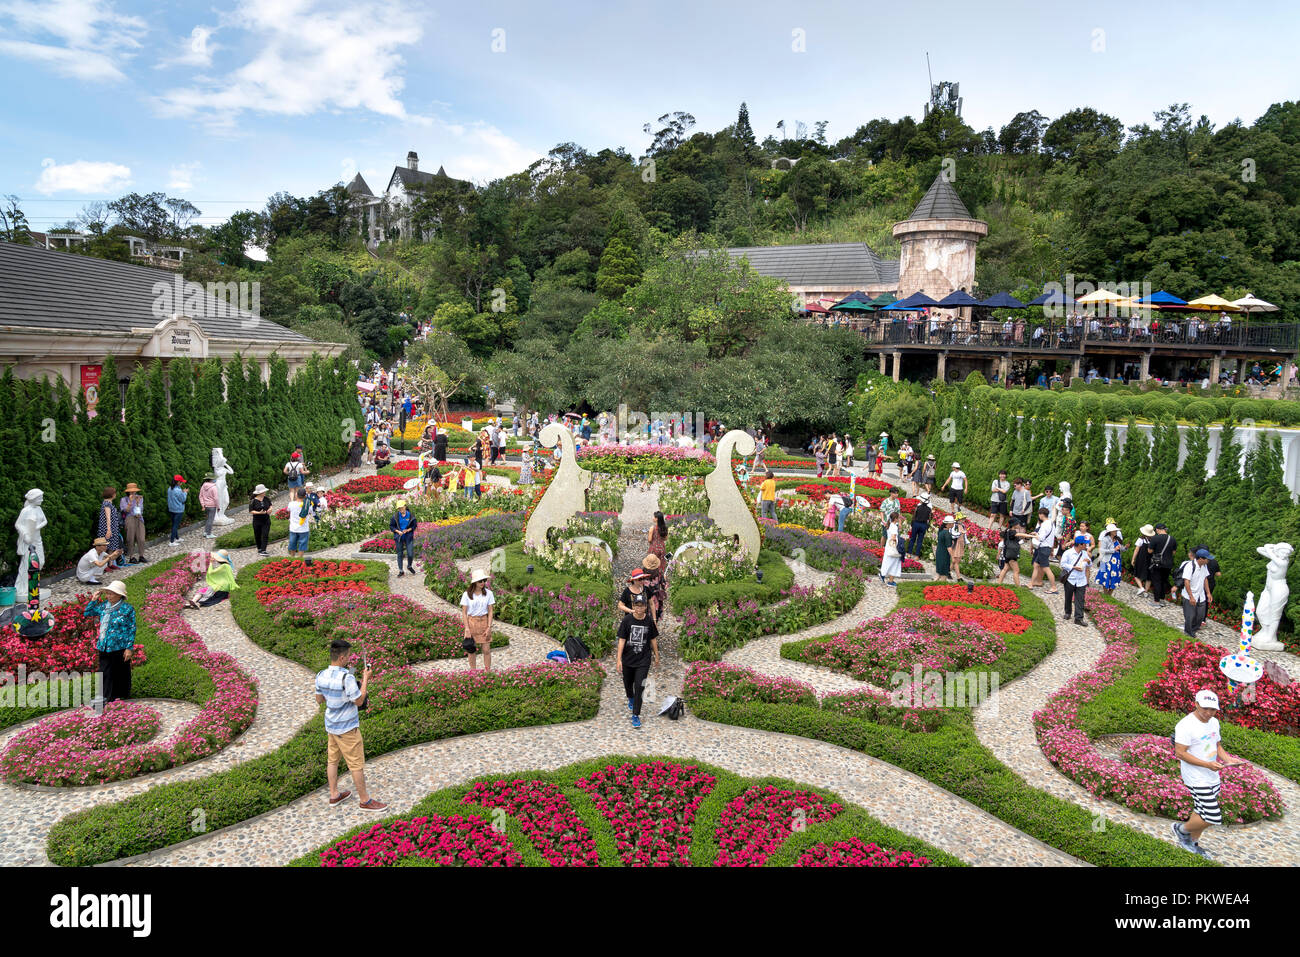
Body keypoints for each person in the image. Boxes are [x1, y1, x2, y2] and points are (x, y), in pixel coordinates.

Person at [1172, 690, 1247, 858]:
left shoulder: (1214, 722)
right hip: (1195, 777)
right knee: (1212, 816)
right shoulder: (1185, 725)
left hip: (1212, 776)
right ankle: (1181, 830)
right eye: (1205, 708)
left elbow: (1217, 745)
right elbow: (1180, 753)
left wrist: (1228, 760)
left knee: (1200, 811)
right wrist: (1207, 764)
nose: (1208, 713)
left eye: (1212, 709)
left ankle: (1192, 843)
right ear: (1196, 704)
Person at [314, 638, 386, 811]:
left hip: (331, 726)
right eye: (347, 657)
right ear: (341, 658)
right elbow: (359, 701)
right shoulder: (347, 678)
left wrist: (335, 694)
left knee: (332, 761)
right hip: (347, 729)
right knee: (356, 765)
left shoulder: (320, 675)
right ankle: (365, 801)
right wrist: (365, 678)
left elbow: (319, 700)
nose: (348, 659)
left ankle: (334, 795)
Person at [85, 580, 136, 702]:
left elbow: (132, 628)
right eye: (107, 593)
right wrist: (94, 599)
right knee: (104, 672)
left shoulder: (127, 609)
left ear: (120, 595)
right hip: (104, 646)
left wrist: (129, 648)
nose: (108, 596)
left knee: (120, 672)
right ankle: (104, 697)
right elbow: (87, 613)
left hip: (120, 647)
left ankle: (121, 696)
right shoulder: (103, 606)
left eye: (111, 594)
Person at [616, 592, 659, 729]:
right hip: (628, 659)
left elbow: (653, 639)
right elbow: (622, 640)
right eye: (637, 606)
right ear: (633, 606)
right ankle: (630, 697)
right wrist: (618, 659)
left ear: (646, 607)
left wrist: (656, 655)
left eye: (642, 606)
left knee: (640, 686)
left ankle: (636, 715)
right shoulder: (627, 621)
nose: (639, 609)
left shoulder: (648, 622)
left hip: (643, 660)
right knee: (628, 684)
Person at [460, 569, 496, 670]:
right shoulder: (466, 594)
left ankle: (488, 671)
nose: (483, 583)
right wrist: (467, 629)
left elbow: (490, 611)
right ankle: (473, 672)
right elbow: (464, 612)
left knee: (486, 650)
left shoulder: (489, 594)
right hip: (471, 623)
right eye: (480, 581)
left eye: (484, 580)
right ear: (475, 582)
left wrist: (489, 627)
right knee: (471, 650)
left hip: (484, 622)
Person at [1060, 533, 1092, 625]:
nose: (1086, 545)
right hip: (1070, 579)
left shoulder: (1085, 553)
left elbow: (1090, 565)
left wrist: (1088, 561)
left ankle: (1078, 618)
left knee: (1080, 599)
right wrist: (1073, 567)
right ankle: (1068, 612)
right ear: (1080, 544)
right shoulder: (1068, 553)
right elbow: (1063, 564)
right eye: (1085, 544)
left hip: (1081, 580)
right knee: (1068, 597)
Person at [1180, 548, 1213, 636]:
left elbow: (1205, 578)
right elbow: (1186, 581)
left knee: (1200, 616)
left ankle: (1193, 629)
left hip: (1200, 595)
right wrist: (1191, 596)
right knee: (1190, 616)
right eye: (1207, 558)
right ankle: (1189, 632)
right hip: (1190, 595)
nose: (1208, 560)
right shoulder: (1190, 566)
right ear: (1201, 559)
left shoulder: (1204, 566)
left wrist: (1208, 593)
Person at [1029, 507, 1058, 593]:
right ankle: (1031, 583)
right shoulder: (1051, 523)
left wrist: (1034, 535)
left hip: (1043, 548)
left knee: (1046, 568)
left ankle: (1053, 587)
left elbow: (1041, 538)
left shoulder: (1044, 524)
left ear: (1041, 515)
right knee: (1036, 565)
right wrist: (1037, 533)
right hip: (1047, 547)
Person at [119, 483, 148, 565]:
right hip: (130, 518)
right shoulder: (124, 499)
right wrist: (131, 501)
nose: (133, 493)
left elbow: (140, 510)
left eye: (134, 491)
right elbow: (125, 510)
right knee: (130, 538)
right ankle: (131, 556)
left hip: (139, 518)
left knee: (141, 538)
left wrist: (138, 502)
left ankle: (141, 555)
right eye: (131, 491)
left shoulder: (139, 498)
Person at [1149, 522, 1178, 603]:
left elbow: (1149, 550)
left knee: (1157, 581)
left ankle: (1156, 601)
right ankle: (1162, 599)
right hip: (1168, 563)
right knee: (1164, 581)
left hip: (1157, 563)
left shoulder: (1155, 538)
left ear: (1158, 530)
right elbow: (1174, 552)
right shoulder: (1172, 539)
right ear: (1165, 530)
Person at [98, 486, 124, 569]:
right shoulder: (107, 504)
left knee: (112, 546)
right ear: (111, 494)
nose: (115, 494)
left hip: (113, 527)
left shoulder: (109, 503)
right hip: (107, 528)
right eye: (114, 493)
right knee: (105, 547)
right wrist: (108, 529)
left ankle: (110, 563)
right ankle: (104, 565)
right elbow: (108, 516)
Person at [287, 487, 314, 564]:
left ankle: (291, 558)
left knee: (292, 543)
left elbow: (288, 509)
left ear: (296, 495)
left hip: (293, 528)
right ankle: (299, 560)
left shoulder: (291, 504)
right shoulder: (308, 505)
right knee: (302, 544)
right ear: (305, 496)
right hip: (304, 529)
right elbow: (311, 512)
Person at [390, 499, 416, 577]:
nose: (400, 509)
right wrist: (398, 531)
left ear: (405, 506)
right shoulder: (395, 516)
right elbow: (391, 526)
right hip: (399, 537)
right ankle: (401, 571)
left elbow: (414, 526)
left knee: (410, 554)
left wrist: (408, 530)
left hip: (408, 537)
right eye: (399, 508)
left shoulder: (411, 515)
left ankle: (409, 566)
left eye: (401, 507)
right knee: (400, 554)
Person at [1097, 523, 1123, 594]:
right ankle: (1105, 593)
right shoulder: (1105, 539)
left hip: (1116, 561)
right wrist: (1114, 550)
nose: (1116, 532)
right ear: (1110, 532)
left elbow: (1120, 548)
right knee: (1105, 575)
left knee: (1114, 576)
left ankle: (1109, 594)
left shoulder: (1117, 539)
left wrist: (1124, 548)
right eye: (1114, 530)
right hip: (1107, 560)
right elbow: (1102, 550)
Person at [248, 484, 273, 556]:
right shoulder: (253, 501)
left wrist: (270, 509)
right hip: (257, 521)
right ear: (259, 493)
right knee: (257, 535)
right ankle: (259, 548)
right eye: (264, 491)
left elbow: (270, 505)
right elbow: (251, 511)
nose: (265, 493)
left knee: (265, 534)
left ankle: (263, 550)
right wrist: (259, 513)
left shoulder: (266, 499)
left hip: (266, 520)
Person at [640, 553, 666, 622]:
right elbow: (664, 586)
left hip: (644, 596)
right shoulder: (659, 573)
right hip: (655, 598)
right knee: (654, 615)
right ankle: (654, 627)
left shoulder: (642, 574)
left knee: (643, 615)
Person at [879, 511, 902, 586]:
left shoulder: (889, 525)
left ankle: (883, 574)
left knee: (887, 561)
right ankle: (890, 581)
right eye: (898, 518)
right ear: (895, 519)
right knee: (894, 563)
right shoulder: (894, 527)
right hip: (893, 547)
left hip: (888, 546)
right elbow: (893, 537)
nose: (899, 519)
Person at [907, 492, 932, 557]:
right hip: (923, 525)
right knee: (920, 540)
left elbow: (914, 516)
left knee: (912, 539)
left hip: (916, 523)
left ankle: (909, 553)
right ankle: (917, 555)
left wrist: (912, 524)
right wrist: (927, 526)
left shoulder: (918, 507)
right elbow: (929, 518)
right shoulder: (929, 509)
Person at [1133, 524, 1155, 596]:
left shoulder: (1141, 539)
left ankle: (1141, 587)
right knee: (1149, 576)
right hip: (1150, 559)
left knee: (1136, 574)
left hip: (1141, 558)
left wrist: (1133, 559)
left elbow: (1137, 549)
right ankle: (1146, 592)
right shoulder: (1153, 540)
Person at [167, 475, 188, 545]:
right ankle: (172, 541)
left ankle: (177, 538)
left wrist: (182, 492)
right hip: (178, 509)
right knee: (175, 525)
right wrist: (185, 492)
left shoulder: (170, 488)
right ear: (178, 482)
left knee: (174, 524)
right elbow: (183, 499)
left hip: (171, 509)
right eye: (181, 482)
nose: (182, 483)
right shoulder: (178, 490)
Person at [934, 515, 956, 580]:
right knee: (944, 575)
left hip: (939, 553)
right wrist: (953, 558)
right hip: (944, 555)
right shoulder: (947, 534)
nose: (953, 524)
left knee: (938, 574)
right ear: (948, 524)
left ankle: (931, 586)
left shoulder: (941, 531)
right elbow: (949, 548)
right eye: (952, 523)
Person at [199, 473, 219, 539]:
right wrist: (218, 506)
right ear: (212, 479)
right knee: (211, 520)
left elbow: (200, 496)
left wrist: (203, 505)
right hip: (212, 506)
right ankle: (209, 534)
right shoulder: (214, 487)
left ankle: (205, 532)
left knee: (208, 519)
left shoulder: (203, 486)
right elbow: (216, 498)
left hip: (206, 506)